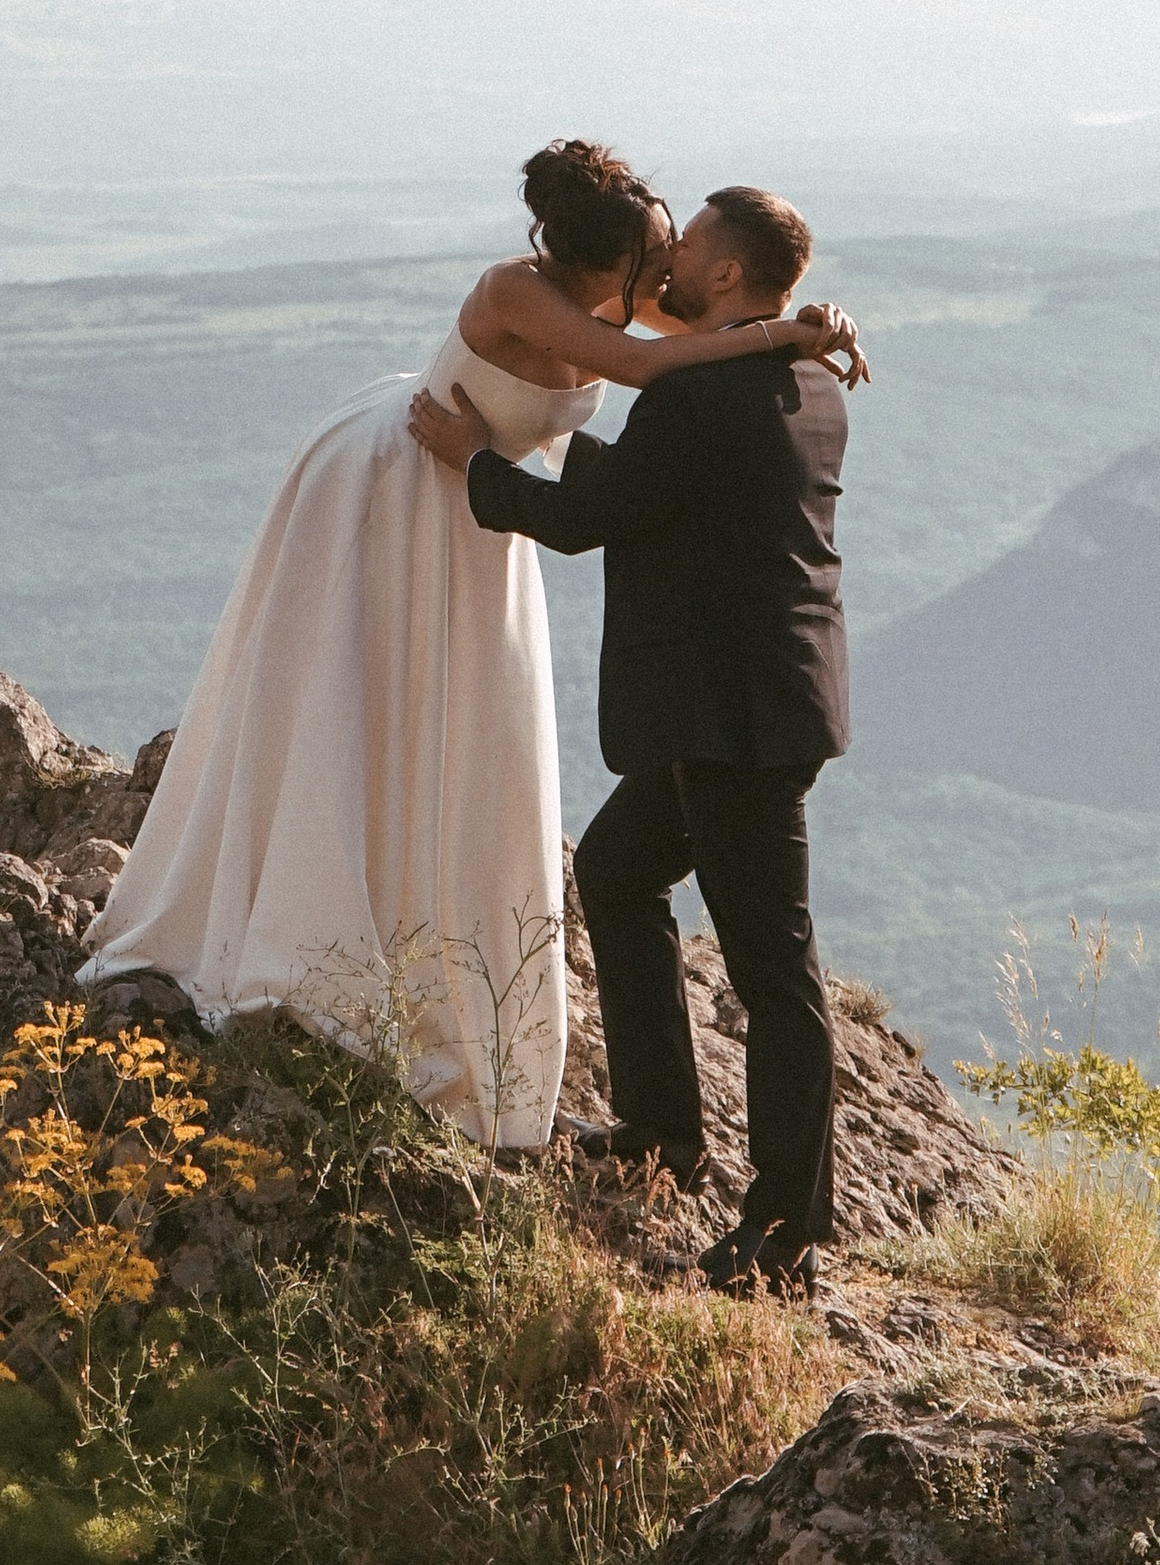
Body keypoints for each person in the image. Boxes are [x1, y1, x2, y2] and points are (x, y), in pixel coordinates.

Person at [82, 142, 860, 1149]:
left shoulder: (638, 300)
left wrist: (798, 327)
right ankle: (323, 900)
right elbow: (650, 361)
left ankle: (459, 953)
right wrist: (791, 332)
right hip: (402, 485)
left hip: (479, 515)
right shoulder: (524, 293)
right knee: (354, 708)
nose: (666, 273)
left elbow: (691, 336)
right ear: (615, 258)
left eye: (680, 251)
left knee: (464, 743)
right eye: (656, 253)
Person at [407, 184, 855, 1292]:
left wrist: (474, 458)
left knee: (775, 972)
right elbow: (688, 502)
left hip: (732, 722)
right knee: (613, 873)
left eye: (693, 242)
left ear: (728, 280)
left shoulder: (696, 399)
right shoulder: (806, 379)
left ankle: (791, 1230)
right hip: (761, 701)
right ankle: (661, 1132)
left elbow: (580, 524)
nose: (675, 254)